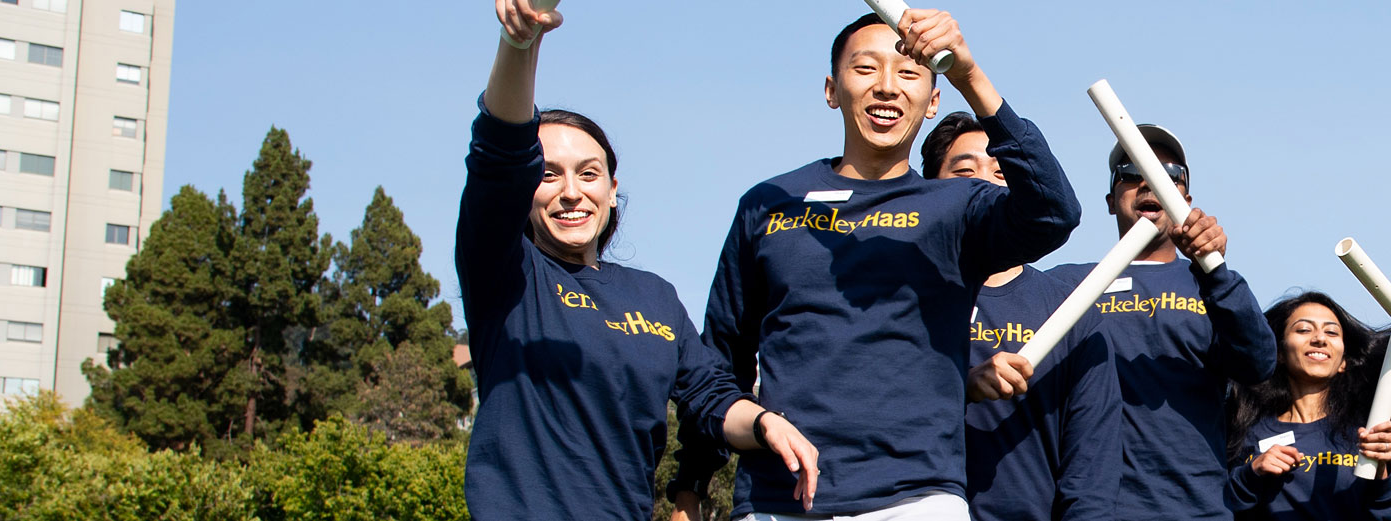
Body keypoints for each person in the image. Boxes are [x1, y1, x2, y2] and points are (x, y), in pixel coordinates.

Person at [695, 10, 1081, 518]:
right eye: (865, 69)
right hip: (777, 501)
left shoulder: (955, 206)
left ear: (933, 99)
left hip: (915, 499)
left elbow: (1053, 212)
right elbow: (718, 367)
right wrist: (718, 459)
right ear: (832, 89)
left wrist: (969, 74)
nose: (886, 88)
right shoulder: (768, 203)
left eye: (908, 72)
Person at [462, 3, 814, 518]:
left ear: (611, 189)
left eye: (587, 174)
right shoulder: (507, 274)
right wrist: (520, 42)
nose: (569, 193)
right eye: (548, 174)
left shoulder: (653, 297)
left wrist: (765, 423)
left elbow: (710, 395)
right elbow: (499, 154)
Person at [1043, 124, 1273, 520]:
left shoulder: (1213, 286)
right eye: (1132, 173)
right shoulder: (1064, 285)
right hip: (1089, 509)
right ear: (1111, 200)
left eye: (1169, 174)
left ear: (1185, 199)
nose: (1149, 183)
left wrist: (1214, 269)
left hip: (1193, 508)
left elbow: (1258, 364)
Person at [920, 112, 1122, 520]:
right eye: (964, 170)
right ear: (929, 189)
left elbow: (1091, 470)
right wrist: (962, 385)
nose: (984, 182)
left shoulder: (1069, 312)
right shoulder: (905, 297)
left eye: (1001, 171)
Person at [1223, 292, 1391, 520]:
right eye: (1303, 330)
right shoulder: (1245, 431)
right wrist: (1250, 475)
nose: (1320, 339)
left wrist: (1381, 474)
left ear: (1343, 362)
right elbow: (1215, 507)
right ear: (1279, 353)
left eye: (1331, 332)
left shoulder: (1371, 435)